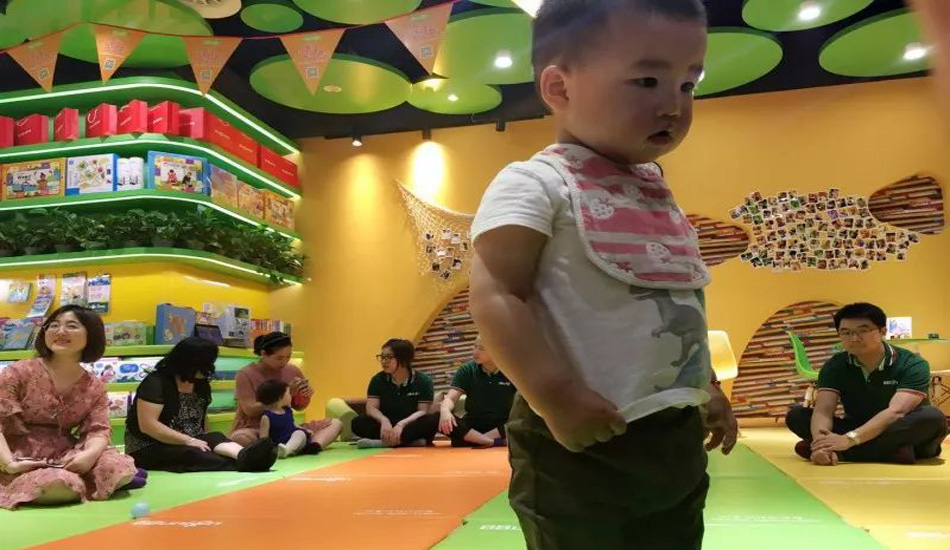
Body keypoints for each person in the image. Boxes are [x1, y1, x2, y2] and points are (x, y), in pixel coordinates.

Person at [468, 1, 738, 548]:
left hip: (673, 435)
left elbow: (675, 303)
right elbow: (497, 295)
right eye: (647, 81)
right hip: (577, 437)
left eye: (688, 84)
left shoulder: (656, 192)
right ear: (559, 88)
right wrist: (555, 395)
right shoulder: (537, 182)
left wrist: (705, 387)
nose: (673, 104)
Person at [0, 305, 139, 509]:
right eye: (53, 325)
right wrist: (9, 464)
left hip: (65, 454)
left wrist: (88, 456)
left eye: (72, 326)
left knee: (120, 468)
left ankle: (70, 482)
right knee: (57, 484)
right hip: (14, 453)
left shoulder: (94, 386)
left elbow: (98, 430)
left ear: (91, 335)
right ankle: (62, 484)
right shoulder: (18, 372)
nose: (60, 331)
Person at [785, 303, 948, 465]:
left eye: (863, 331)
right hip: (858, 426)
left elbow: (896, 412)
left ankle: (845, 454)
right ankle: (891, 454)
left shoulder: (912, 364)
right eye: (846, 332)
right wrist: (821, 443)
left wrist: (848, 440)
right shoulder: (835, 365)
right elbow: (823, 411)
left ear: (883, 331)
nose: (854, 338)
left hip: (898, 428)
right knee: (797, 416)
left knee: (932, 418)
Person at [125, 337, 278, 472]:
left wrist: (205, 439)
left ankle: (244, 455)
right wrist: (188, 440)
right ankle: (248, 462)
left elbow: (202, 419)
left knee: (215, 437)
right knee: (191, 453)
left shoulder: (199, 383)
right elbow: (148, 426)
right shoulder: (156, 382)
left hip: (189, 438)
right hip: (149, 445)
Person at [230, 332, 342, 451]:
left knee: (336, 423)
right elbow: (250, 410)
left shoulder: (293, 370)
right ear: (263, 354)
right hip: (255, 428)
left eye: (288, 357)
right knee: (241, 438)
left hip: (286, 428)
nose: (284, 362)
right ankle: (288, 447)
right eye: (279, 358)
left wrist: (305, 395)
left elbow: (299, 407)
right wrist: (285, 394)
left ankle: (312, 446)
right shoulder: (246, 374)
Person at [351, 339, 440, 448]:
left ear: (403, 359)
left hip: (410, 423)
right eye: (382, 357)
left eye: (388, 357)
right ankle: (410, 442)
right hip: (387, 424)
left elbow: (422, 411)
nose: (383, 362)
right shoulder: (378, 380)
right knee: (357, 422)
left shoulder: (423, 381)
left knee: (434, 420)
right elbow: (371, 408)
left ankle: (383, 443)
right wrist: (384, 421)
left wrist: (401, 424)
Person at [439, 336, 516, 447]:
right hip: (473, 424)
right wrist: (445, 411)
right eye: (474, 347)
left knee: (525, 418)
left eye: (481, 348)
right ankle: (492, 442)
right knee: (436, 417)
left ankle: (472, 440)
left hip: (501, 425)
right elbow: (451, 398)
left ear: (496, 350)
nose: (475, 352)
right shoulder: (467, 369)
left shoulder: (512, 370)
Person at [257, 379, 322, 458]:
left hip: (293, 440)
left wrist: (305, 430)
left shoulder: (288, 411)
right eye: (288, 393)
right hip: (278, 444)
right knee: (298, 435)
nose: (290, 396)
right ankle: (286, 450)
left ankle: (287, 450)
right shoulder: (267, 417)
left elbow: (293, 424)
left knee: (300, 433)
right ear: (280, 398)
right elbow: (264, 437)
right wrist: (265, 450)